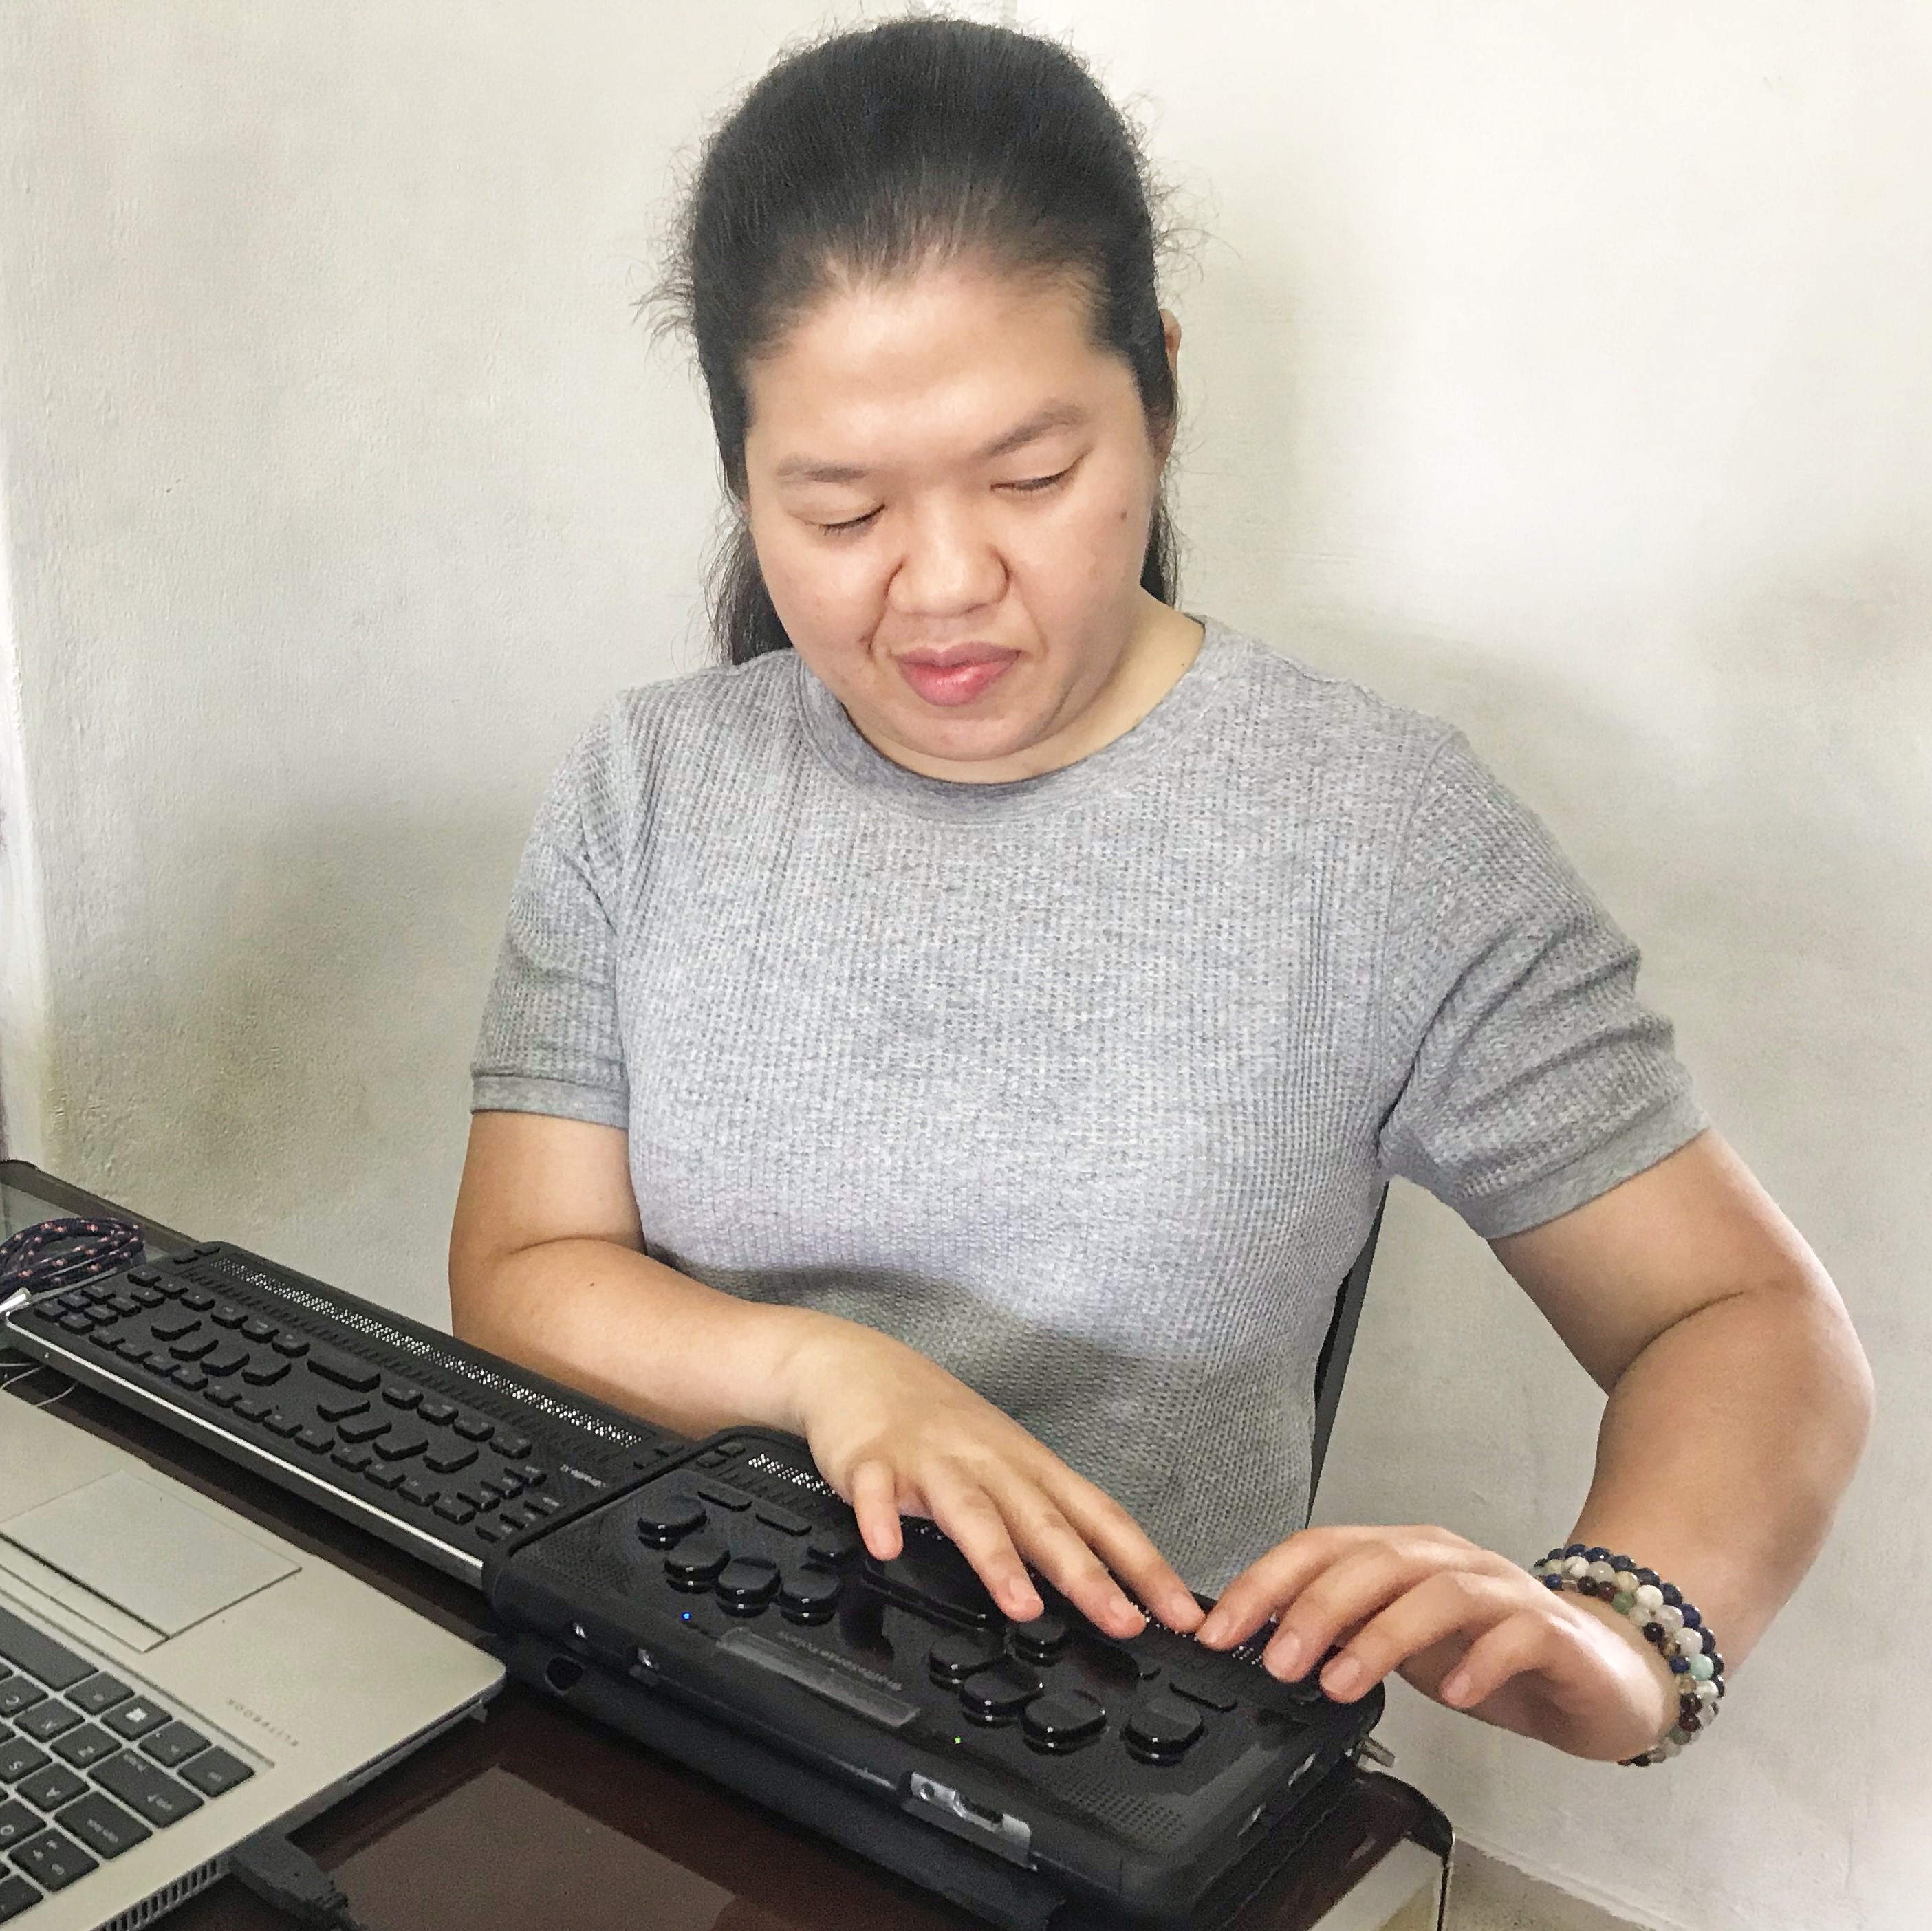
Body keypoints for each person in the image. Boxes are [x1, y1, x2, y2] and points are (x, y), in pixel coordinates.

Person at [448, 17, 1871, 1767]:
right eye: (836, 511)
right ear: (739, 477)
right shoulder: (650, 783)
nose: (944, 583)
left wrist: (1631, 1630)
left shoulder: (1373, 832)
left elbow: (1738, 1316)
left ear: (1163, 395)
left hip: (1108, 1756)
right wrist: (833, 1374)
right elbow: (524, 1263)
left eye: (1032, 477)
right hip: (655, 1679)